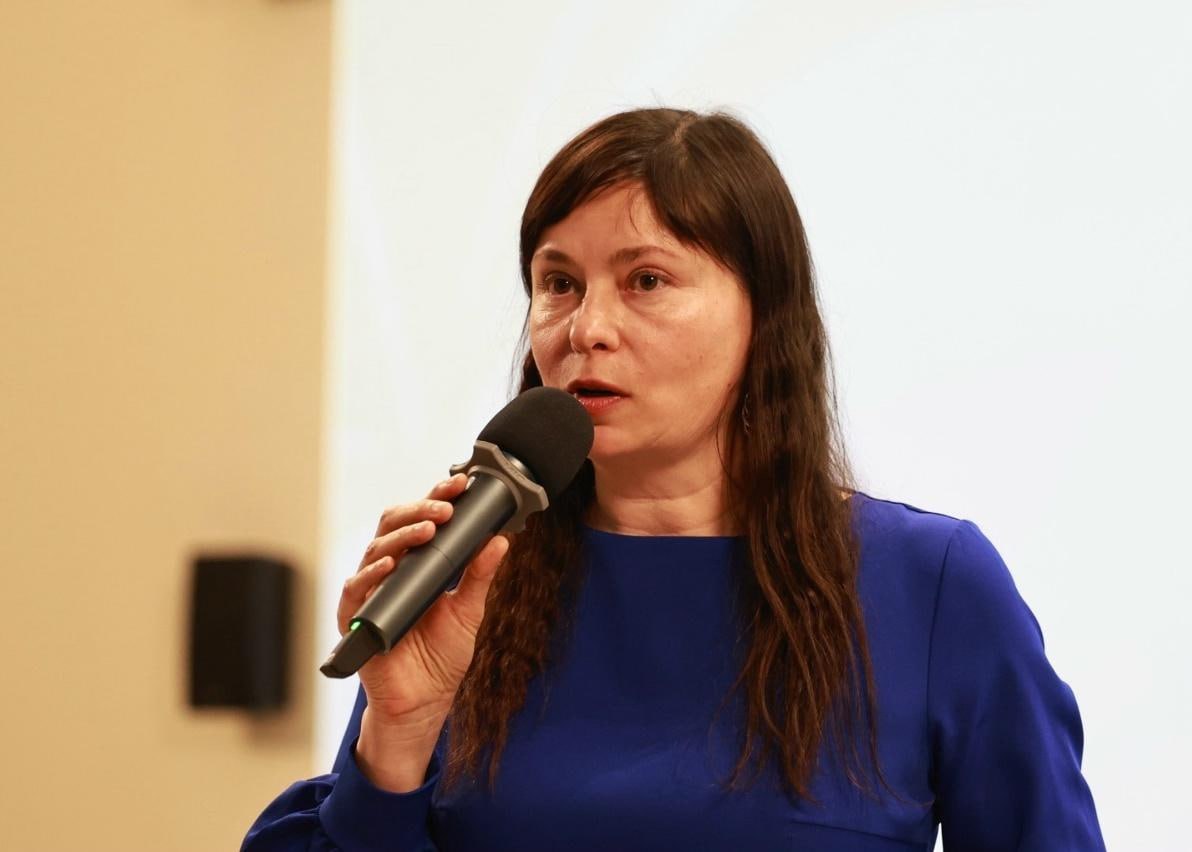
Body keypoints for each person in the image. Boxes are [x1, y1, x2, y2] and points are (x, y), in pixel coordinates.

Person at [242, 108, 1107, 851]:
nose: (587, 328)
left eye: (646, 280)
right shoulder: (472, 580)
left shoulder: (930, 586)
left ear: (764, 314)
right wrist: (396, 736)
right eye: (559, 283)